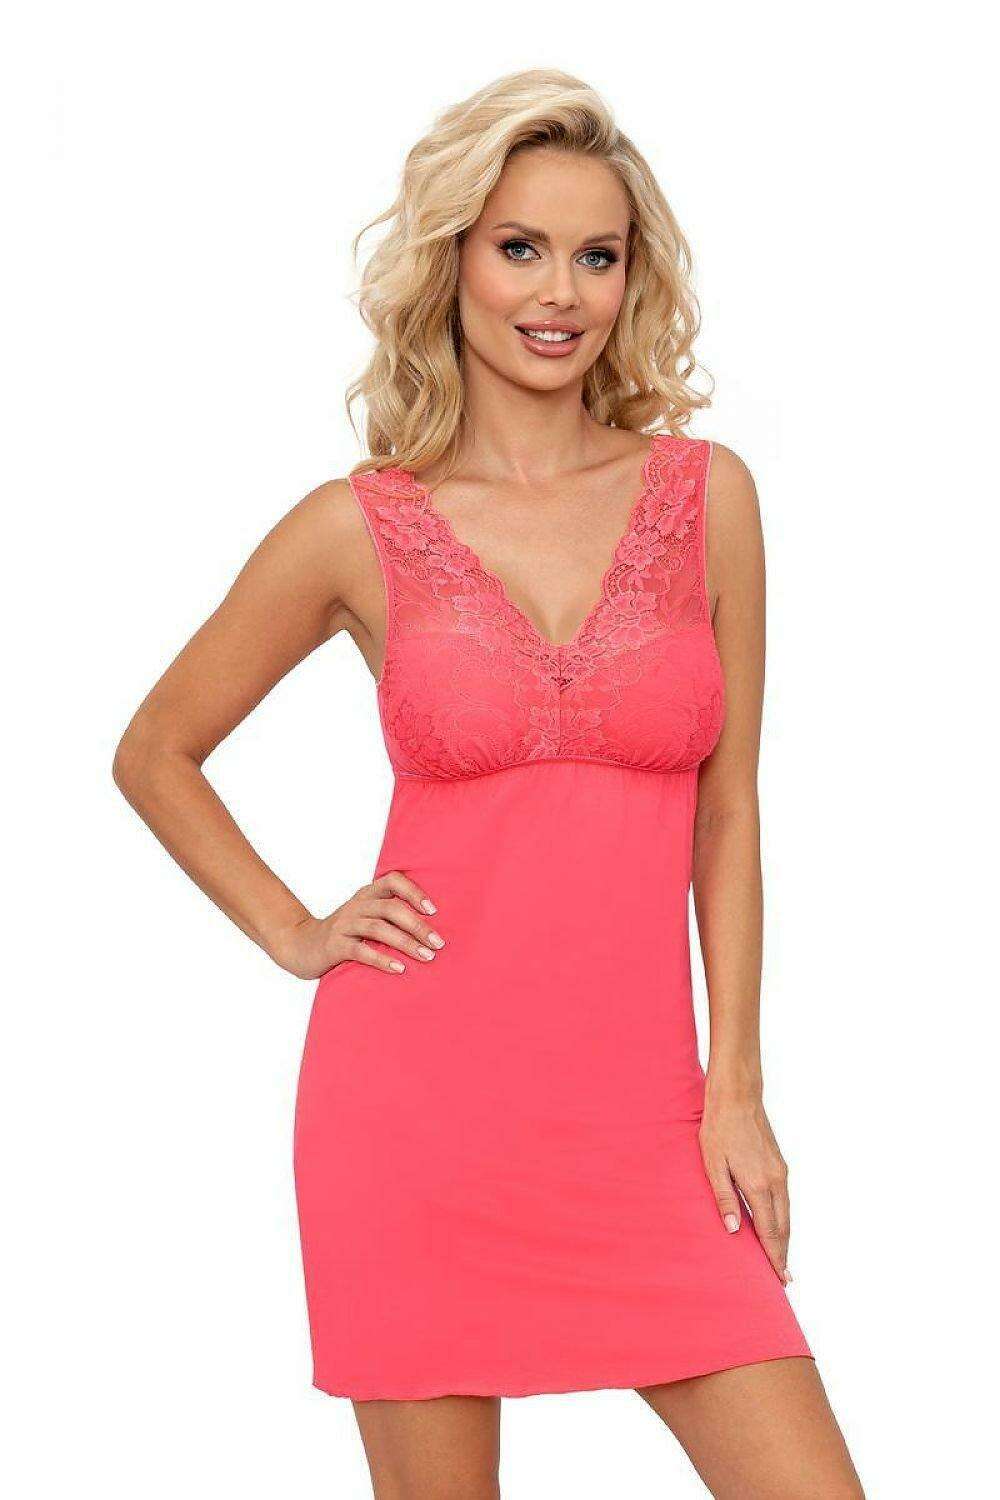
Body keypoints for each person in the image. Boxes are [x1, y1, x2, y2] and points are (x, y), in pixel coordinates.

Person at [113, 68, 865, 1500]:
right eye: (520, 246)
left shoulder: (707, 496)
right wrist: (293, 929)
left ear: (634, 278)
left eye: (598, 255)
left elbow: (730, 812)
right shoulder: (357, 527)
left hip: (654, 1120)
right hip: (415, 1118)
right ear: (452, 258)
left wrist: (738, 1088)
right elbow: (156, 749)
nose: (560, 292)